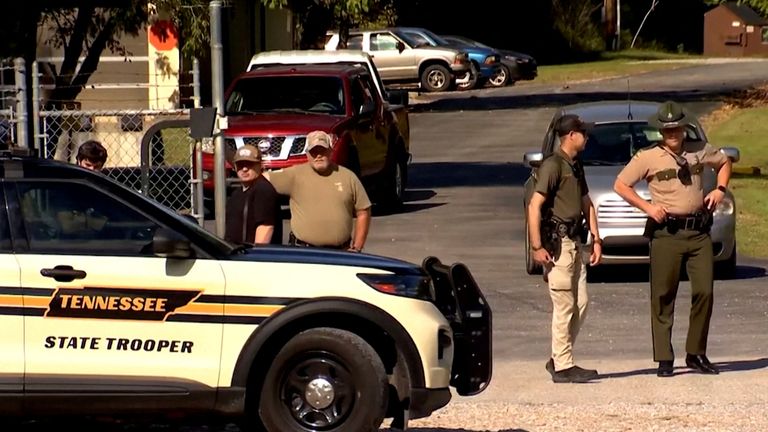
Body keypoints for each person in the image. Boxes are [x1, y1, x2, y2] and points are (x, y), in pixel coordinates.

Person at [613, 101, 732, 378]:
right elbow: (620, 184)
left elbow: (725, 162)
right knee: (663, 295)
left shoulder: (699, 150)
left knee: (705, 291)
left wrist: (720, 190)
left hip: (699, 232)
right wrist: (648, 208)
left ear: (683, 128)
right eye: (667, 131)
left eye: (676, 129)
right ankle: (665, 357)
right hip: (667, 233)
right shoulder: (648, 157)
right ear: (661, 132)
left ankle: (696, 353)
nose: (673, 135)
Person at [527, 114, 602, 384]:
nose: (587, 137)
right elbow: (534, 206)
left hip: (576, 244)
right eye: (584, 133)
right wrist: (537, 246)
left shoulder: (575, 164)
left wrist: (596, 238)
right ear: (571, 135)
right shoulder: (553, 166)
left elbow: (586, 203)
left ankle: (558, 357)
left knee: (581, 303)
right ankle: (563, 366)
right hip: (558, 247)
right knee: (565, 305)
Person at [265, 130, 371, 252]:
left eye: (322, 150)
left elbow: (363, 211)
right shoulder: (294, 175)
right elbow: (260, 180)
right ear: (307, 154)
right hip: (304, 253)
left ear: (331, 151)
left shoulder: (348, 177)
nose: (318, 155)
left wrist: (357, 247)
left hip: (341, 253)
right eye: (314, 152)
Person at [224, 144, 282, 245]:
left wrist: (256, 256)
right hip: (236, 255)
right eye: (240, 164)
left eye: (249, 164)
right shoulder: (237, 193)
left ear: (260, 165)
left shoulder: (263, 191)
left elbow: (266, 227)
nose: (245, 169)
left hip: (251, 256)